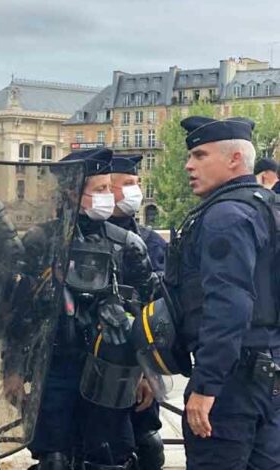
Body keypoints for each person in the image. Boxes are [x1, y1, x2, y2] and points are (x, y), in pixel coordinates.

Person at [20, 148, 157, 470]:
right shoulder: (41, 241)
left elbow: (149, 312)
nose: (109, 197)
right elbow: (20, 311)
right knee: (54, 460)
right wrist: (15, 371)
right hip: (55, 366)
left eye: (109, 188)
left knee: (107, 458)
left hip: (113, 368)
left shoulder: (127, 244)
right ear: (72, 193)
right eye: (100, 190)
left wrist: (146, 373)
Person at [164, 116, 280, 469]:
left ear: (234, 160)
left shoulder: (225, 216)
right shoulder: (267, 207)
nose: (188, 165)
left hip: (232, 383)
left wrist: (206, 387)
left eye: (200, 155)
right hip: (268, 374)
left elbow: (229, 305)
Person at [108, 155, 167, 470]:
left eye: (136, 184)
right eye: (127, 184)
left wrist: (147, 372)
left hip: (137, 368)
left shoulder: (150, 242)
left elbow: (160, 314)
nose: (135, 191)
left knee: (146, 444)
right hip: (91, 367)